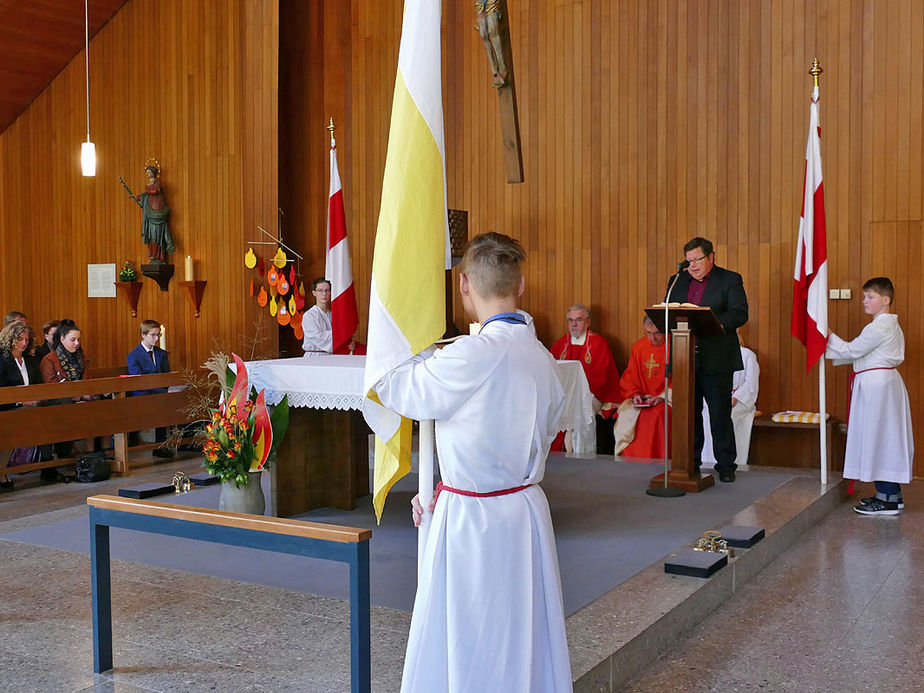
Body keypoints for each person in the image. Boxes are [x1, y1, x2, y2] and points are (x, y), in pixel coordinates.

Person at [373, 232, 572, 691]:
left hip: (473, 518)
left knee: (474, 635)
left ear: (464, 285)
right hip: (524, 512)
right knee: (524, 633)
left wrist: (399, 333)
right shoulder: (543, 358)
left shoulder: (469, 355)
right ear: (519, 284)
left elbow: (395, 387)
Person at [825, 277, 913, 516]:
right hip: (878, 386)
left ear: (886, 300)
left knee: (879, 437)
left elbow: (854, 350)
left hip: (879, 388)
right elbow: (856, 353)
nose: (864, 301)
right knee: (882, 437)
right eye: (864, 296)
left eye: (870, 297)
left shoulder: (882, 325)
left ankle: (888, 499)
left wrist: (829, 335)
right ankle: (889, 494)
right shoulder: (880, 325)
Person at [666, 237, 748, 482]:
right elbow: (670, 311)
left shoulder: (730, 279)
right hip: (685, 359)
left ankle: (725, 466)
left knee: (719, 413)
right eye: (689, 261)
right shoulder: (677, 281)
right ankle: (689, 462)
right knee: (687, 414)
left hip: (716, 357)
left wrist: (717, 322)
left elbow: (740, 313)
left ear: (712, 256)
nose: (693, 266)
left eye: (698, 259)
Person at [549, 304, 622, 453]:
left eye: (578, 320)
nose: (574, 324)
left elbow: (602, 379)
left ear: (587, 322)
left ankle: (580, 453)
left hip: (591, 395)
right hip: (565, 394)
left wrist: (577, 394)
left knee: (580, 408)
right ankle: (556, 454)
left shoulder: (598, 344)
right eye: (570, 320)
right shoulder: (560, 344)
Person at [613, 316, 670, 459]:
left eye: (657, 333)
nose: (653, 338)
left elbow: (681, 378)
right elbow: (630, 375)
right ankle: (630, 458)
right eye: (648, 333)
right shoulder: (639, 347)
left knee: (656, 415)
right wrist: (635, 394)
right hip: (643, 398)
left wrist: (662, 397)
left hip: (666, 399)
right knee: (627, 412)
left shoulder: (674, 346)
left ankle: (658, 459)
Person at [40, 319, 89, 473]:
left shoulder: (81, 357)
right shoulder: (49, 359)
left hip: (81, 397)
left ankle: (95, 452)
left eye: (78, 340)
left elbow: (87, 380)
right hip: (59, 402)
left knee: (103, 403)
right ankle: (65, 451)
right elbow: (52, 388)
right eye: (72, 340)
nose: (76, 343)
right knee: (65, 405)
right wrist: (77, 399)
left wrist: (85, 396)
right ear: (62, 339)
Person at [0, 321, 43, 489]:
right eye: (19, 339)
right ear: (10, 339)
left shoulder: (30, 361)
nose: (24, 343)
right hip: (7, 408)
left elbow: (39, 384)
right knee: (13, 425)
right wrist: (19, 401)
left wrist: (36, 399)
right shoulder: (3, 361)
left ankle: (48, 465)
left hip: (31, 406)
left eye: (26, 339)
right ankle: (2, 472)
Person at [702, 343, 759, 468]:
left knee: (727, 416)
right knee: (706, 414)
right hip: (716, 399)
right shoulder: (712, 354)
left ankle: (732, 462)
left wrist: (736, 398)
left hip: (740, 403)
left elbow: (751, 384)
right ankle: (707, 462)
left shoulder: (747, 355)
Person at [126, 320, 173, 458]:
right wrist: (163, 390)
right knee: (162, 401)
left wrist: (167, 389)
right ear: (143, 335)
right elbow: (139, 381)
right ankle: (141, 439)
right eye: (153, 335)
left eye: (158, 335)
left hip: (160, 393)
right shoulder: (133, 355)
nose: (157, 339)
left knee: (175, 399)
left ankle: (163, 444)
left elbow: (166, 375)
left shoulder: (161, 354)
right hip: (143, 394)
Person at [120, 164, 174, 263]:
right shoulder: (149, 186)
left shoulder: (157, 183)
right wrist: (136, 197)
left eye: (149, 172)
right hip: (150, 212)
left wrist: (147, 188)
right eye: (147, 173)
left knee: (158, 234)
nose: (148, 174)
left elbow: (155, 190)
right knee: (151, 234)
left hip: (157, 210)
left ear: (154, 173)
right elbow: (145, 195)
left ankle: (159, 255)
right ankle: (153, 255)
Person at [301, 277, 364, 355]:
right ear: (314, 293)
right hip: (315, 356)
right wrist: (342, 336)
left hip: (332, 355)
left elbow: (339, 335)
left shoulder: (334, 314)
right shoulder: (309, 315)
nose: (324, 294)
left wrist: (347, 343)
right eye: (320, 290)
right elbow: (317, 337)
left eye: (327, 290)